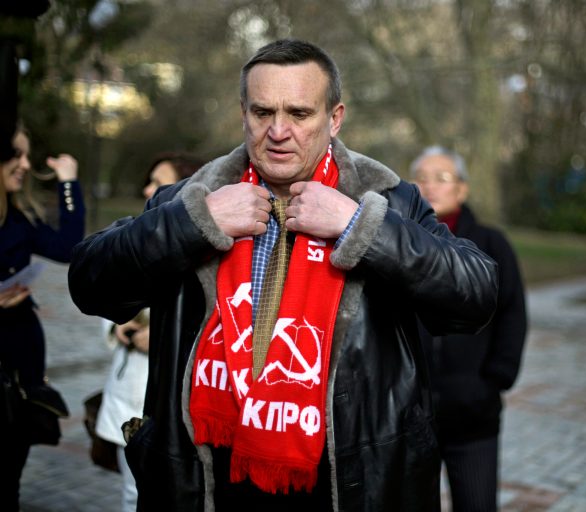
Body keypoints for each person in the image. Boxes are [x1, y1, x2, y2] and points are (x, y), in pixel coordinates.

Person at [67, 39, 498, 511]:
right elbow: (91, 284)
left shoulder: (387, 201)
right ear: (243, 113)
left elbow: (475, 295)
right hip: (208, 480)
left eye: (298, 113)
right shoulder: (190, 200)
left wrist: (360, 228)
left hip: (345, 483)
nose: (278, 131)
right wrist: (193, 224)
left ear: (334, 119)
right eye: (262, 112)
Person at [411, 146, 527, 512]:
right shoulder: (397, 242)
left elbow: (513, 313)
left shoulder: (491, 244)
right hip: (409, 415)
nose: (430, 186)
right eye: (421, 178)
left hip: (472, 412)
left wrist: (496, 377)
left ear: (462, 189)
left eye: (442, 178)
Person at [95, 152, 204, 512]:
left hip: (160, 405)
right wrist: (119, 323)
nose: (147, 188)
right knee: (129, 492)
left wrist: (153, 338)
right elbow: (106, 296)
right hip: (122, 392)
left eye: (158, 182)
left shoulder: (197, 245)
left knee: (142, 494)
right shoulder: (139, 236)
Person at [0, 126, 84, 511]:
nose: (26, 165)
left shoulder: (18, 220)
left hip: (21, 379)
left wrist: (68, 184)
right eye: (16, 155)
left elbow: (68, 247)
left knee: (10, 482)